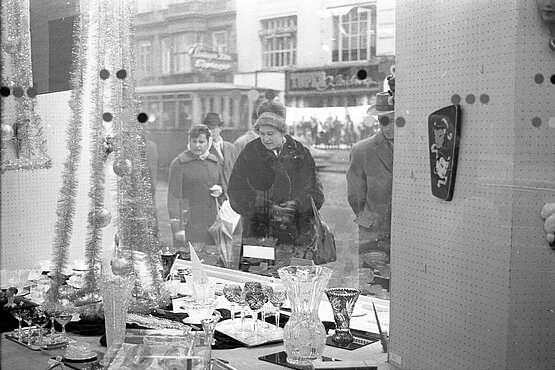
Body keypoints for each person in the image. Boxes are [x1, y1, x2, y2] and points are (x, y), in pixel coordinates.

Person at [228, 111, 324, 247]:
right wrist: (267, 208)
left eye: (270, 134)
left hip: (297, 233)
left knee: (294, 267)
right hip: (259, 232)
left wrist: (296, 204)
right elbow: (236, 192)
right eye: (262, 134)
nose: (266, 139)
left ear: (282, 132)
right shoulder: (251, 152)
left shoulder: (300, 152)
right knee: (258, 267)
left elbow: (316, 193)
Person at [346, 91, 395, 261]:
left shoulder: (415, 149)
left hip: (406, 234)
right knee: (372, 283)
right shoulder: (362, 150)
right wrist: (371, 222)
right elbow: (355, 196)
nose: (389, 126)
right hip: (373, 236)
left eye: (394, 120)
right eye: (384, 120)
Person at [167, 124, 225, 251]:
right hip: (190, 225)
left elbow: (222, 186)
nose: (197, 145)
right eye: (194, 141)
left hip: (212, 224)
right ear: (189, 142)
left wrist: (220, 190)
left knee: (212, 260)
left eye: (201, 142)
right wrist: (178, 228)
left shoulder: (214, 162)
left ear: (209, 142)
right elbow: (174, 198)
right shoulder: (179, 163)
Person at [202, 113, 238, 189]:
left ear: (220, 128)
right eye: (208, 129)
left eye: (214, 128)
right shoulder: (204, 151)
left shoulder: (231, 148)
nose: (211, 132)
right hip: (216, 195)